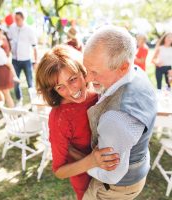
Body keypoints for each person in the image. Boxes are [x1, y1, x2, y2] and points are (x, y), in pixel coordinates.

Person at [82, 26, 157, 200]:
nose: (87, 79)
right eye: (87, 69)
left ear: (123, 67)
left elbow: (111, 175)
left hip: (115, 188)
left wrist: (82, 162)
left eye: (94, 72)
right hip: (138, 169)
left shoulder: (116, 119)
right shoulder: (137, 72)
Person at [35, 45, 120, 200]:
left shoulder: (101, 94)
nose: (71, 90)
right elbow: (59, 171)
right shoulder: (60, 117)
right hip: (88, 186)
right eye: (60, 87)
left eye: (73, 79)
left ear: (82, 70)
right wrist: (92, 161)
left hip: (117, 182)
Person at [8, 9, 38, 106]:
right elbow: (9, 41)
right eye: (15, 19)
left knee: (30, 82)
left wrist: (35, 61)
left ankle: (33, 102)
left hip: (26, 60)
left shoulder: (29, 30)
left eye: (18, 19)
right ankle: (19, 100)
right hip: (15, 60)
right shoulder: (12, 28)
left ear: (23, 19)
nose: (16, 21)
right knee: (15, 81)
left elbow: (34, 46)